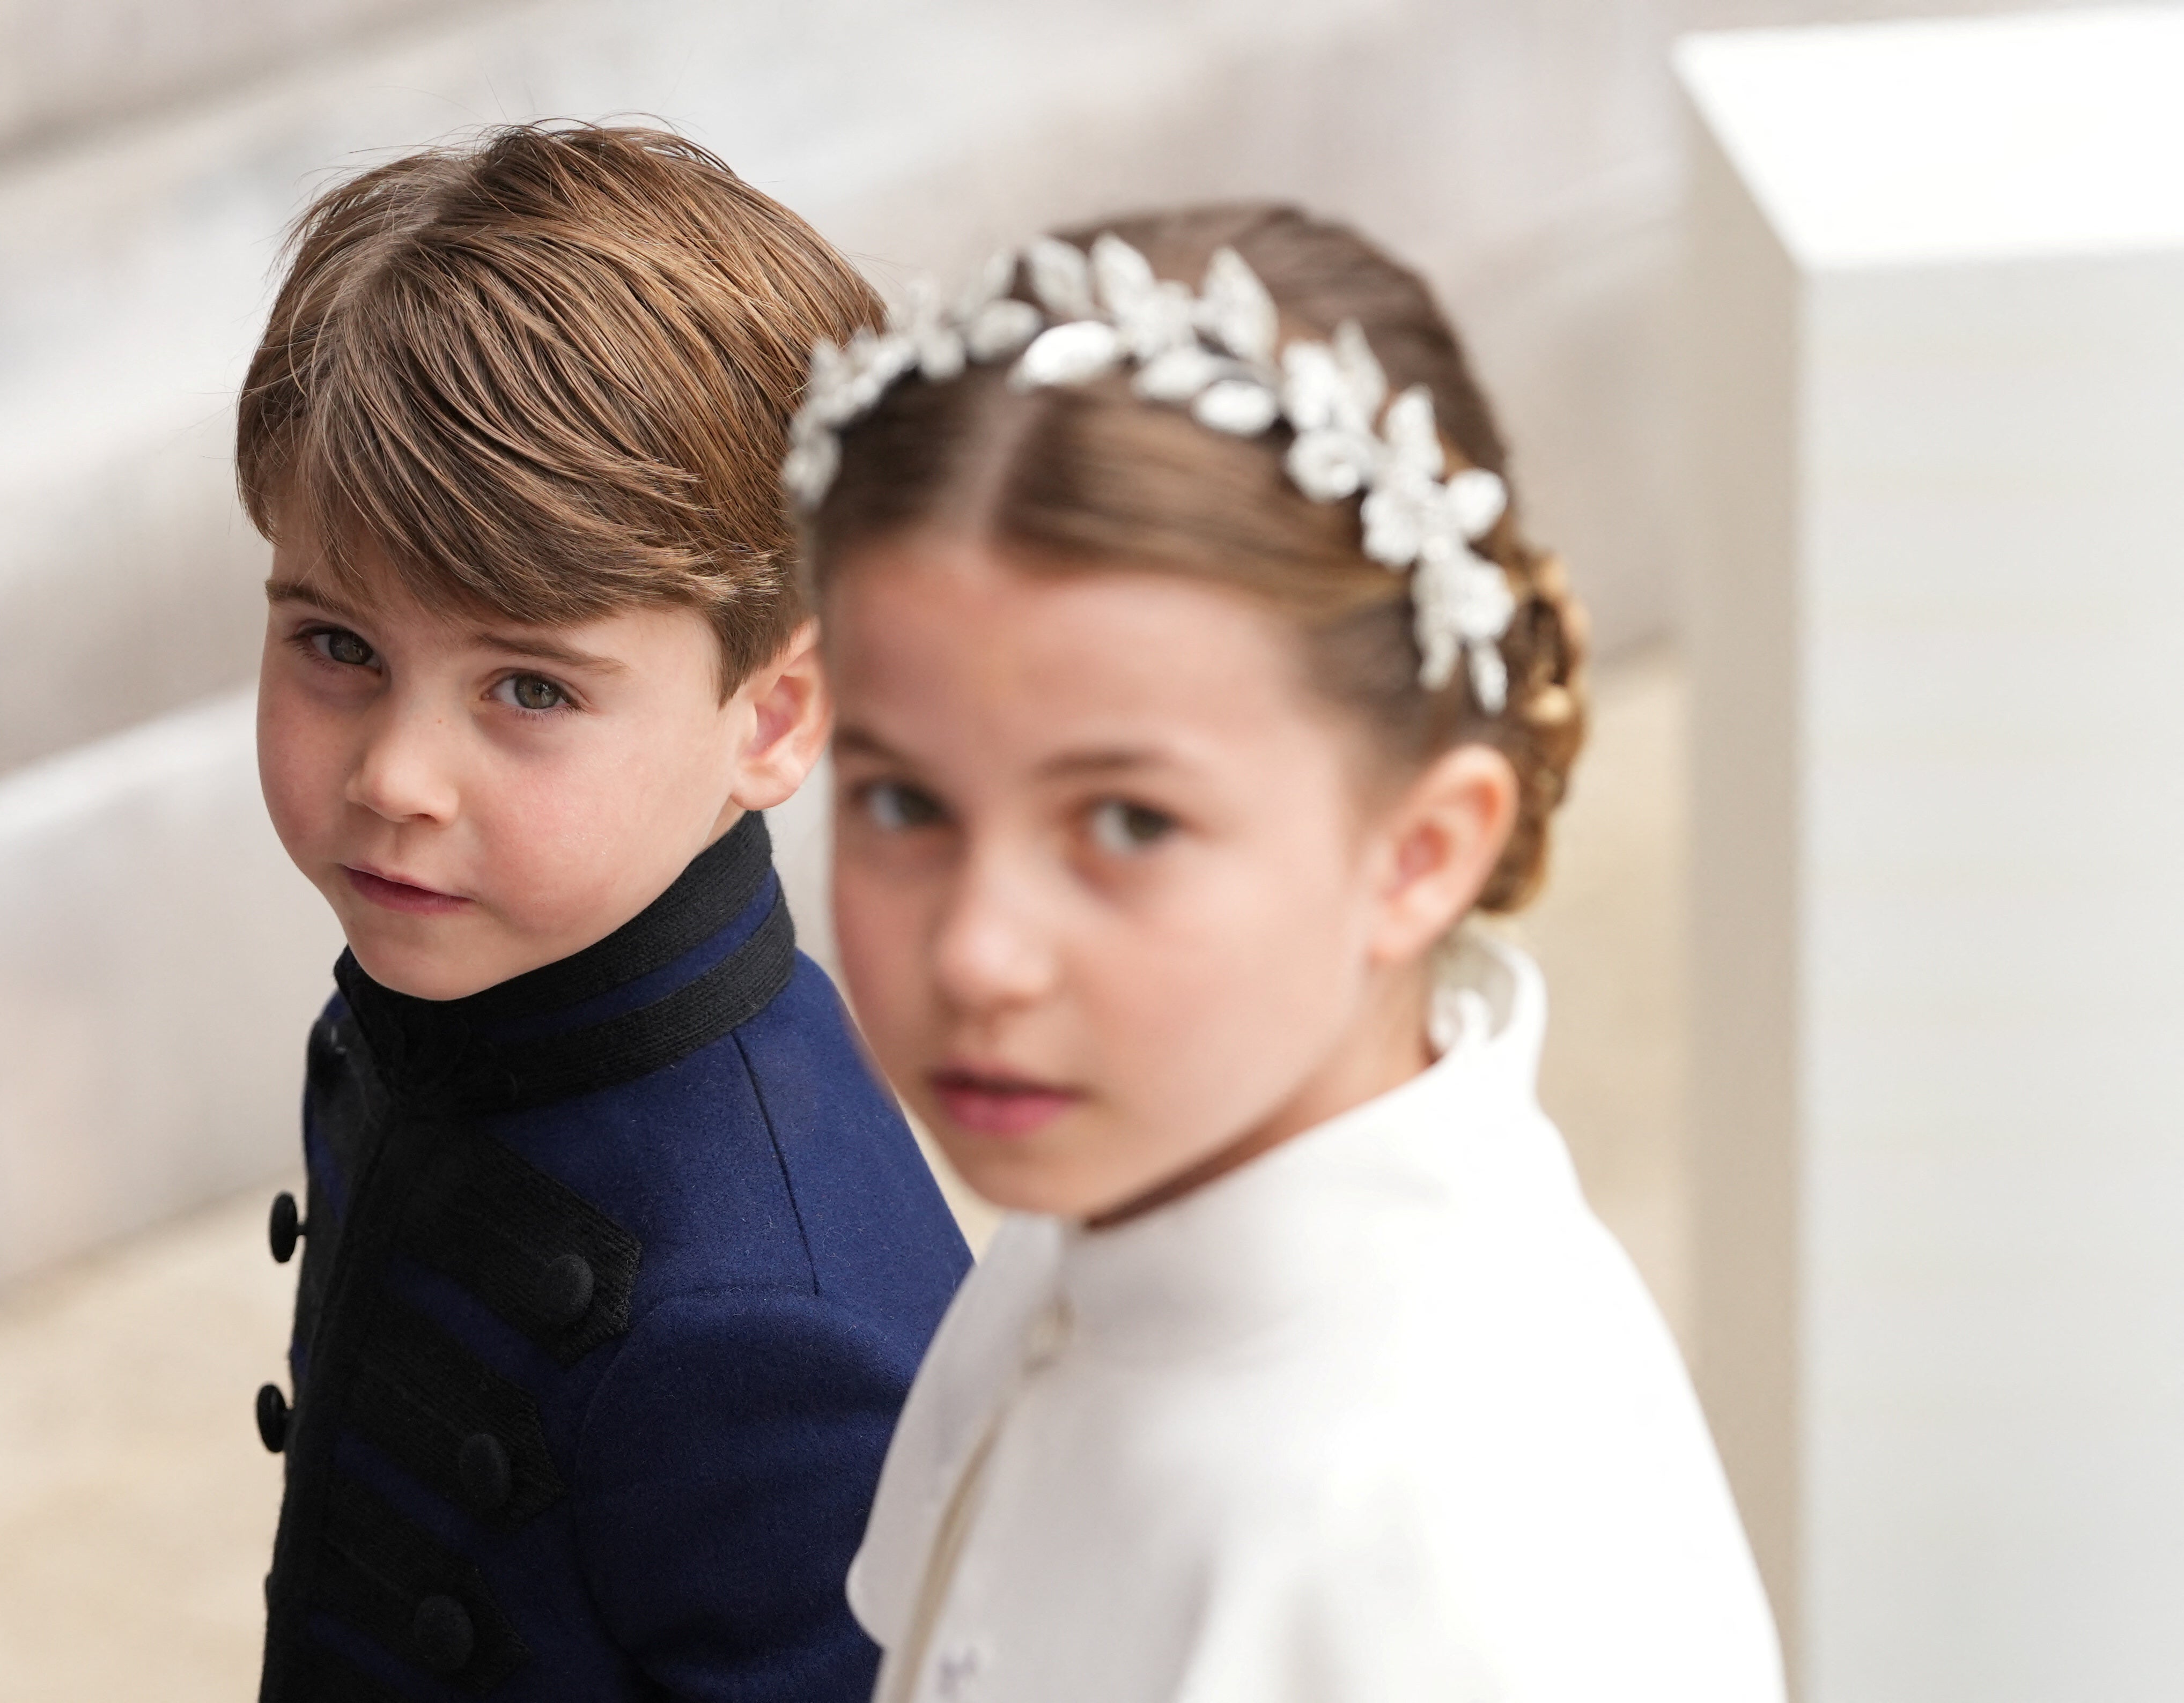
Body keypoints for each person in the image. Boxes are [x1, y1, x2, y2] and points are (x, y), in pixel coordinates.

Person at [794, 204, 1785, 1702]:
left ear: (1419, 854)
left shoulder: (1470, 1573)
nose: (981, 953)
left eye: (1125, 823)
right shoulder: (1102, 1213)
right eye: (902, 802)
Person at [235, 124, 971, 1702]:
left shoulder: (771, 1336)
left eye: (527, 686)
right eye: (339, 647)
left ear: (772, 720)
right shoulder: (447, 1005)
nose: (398, 777)